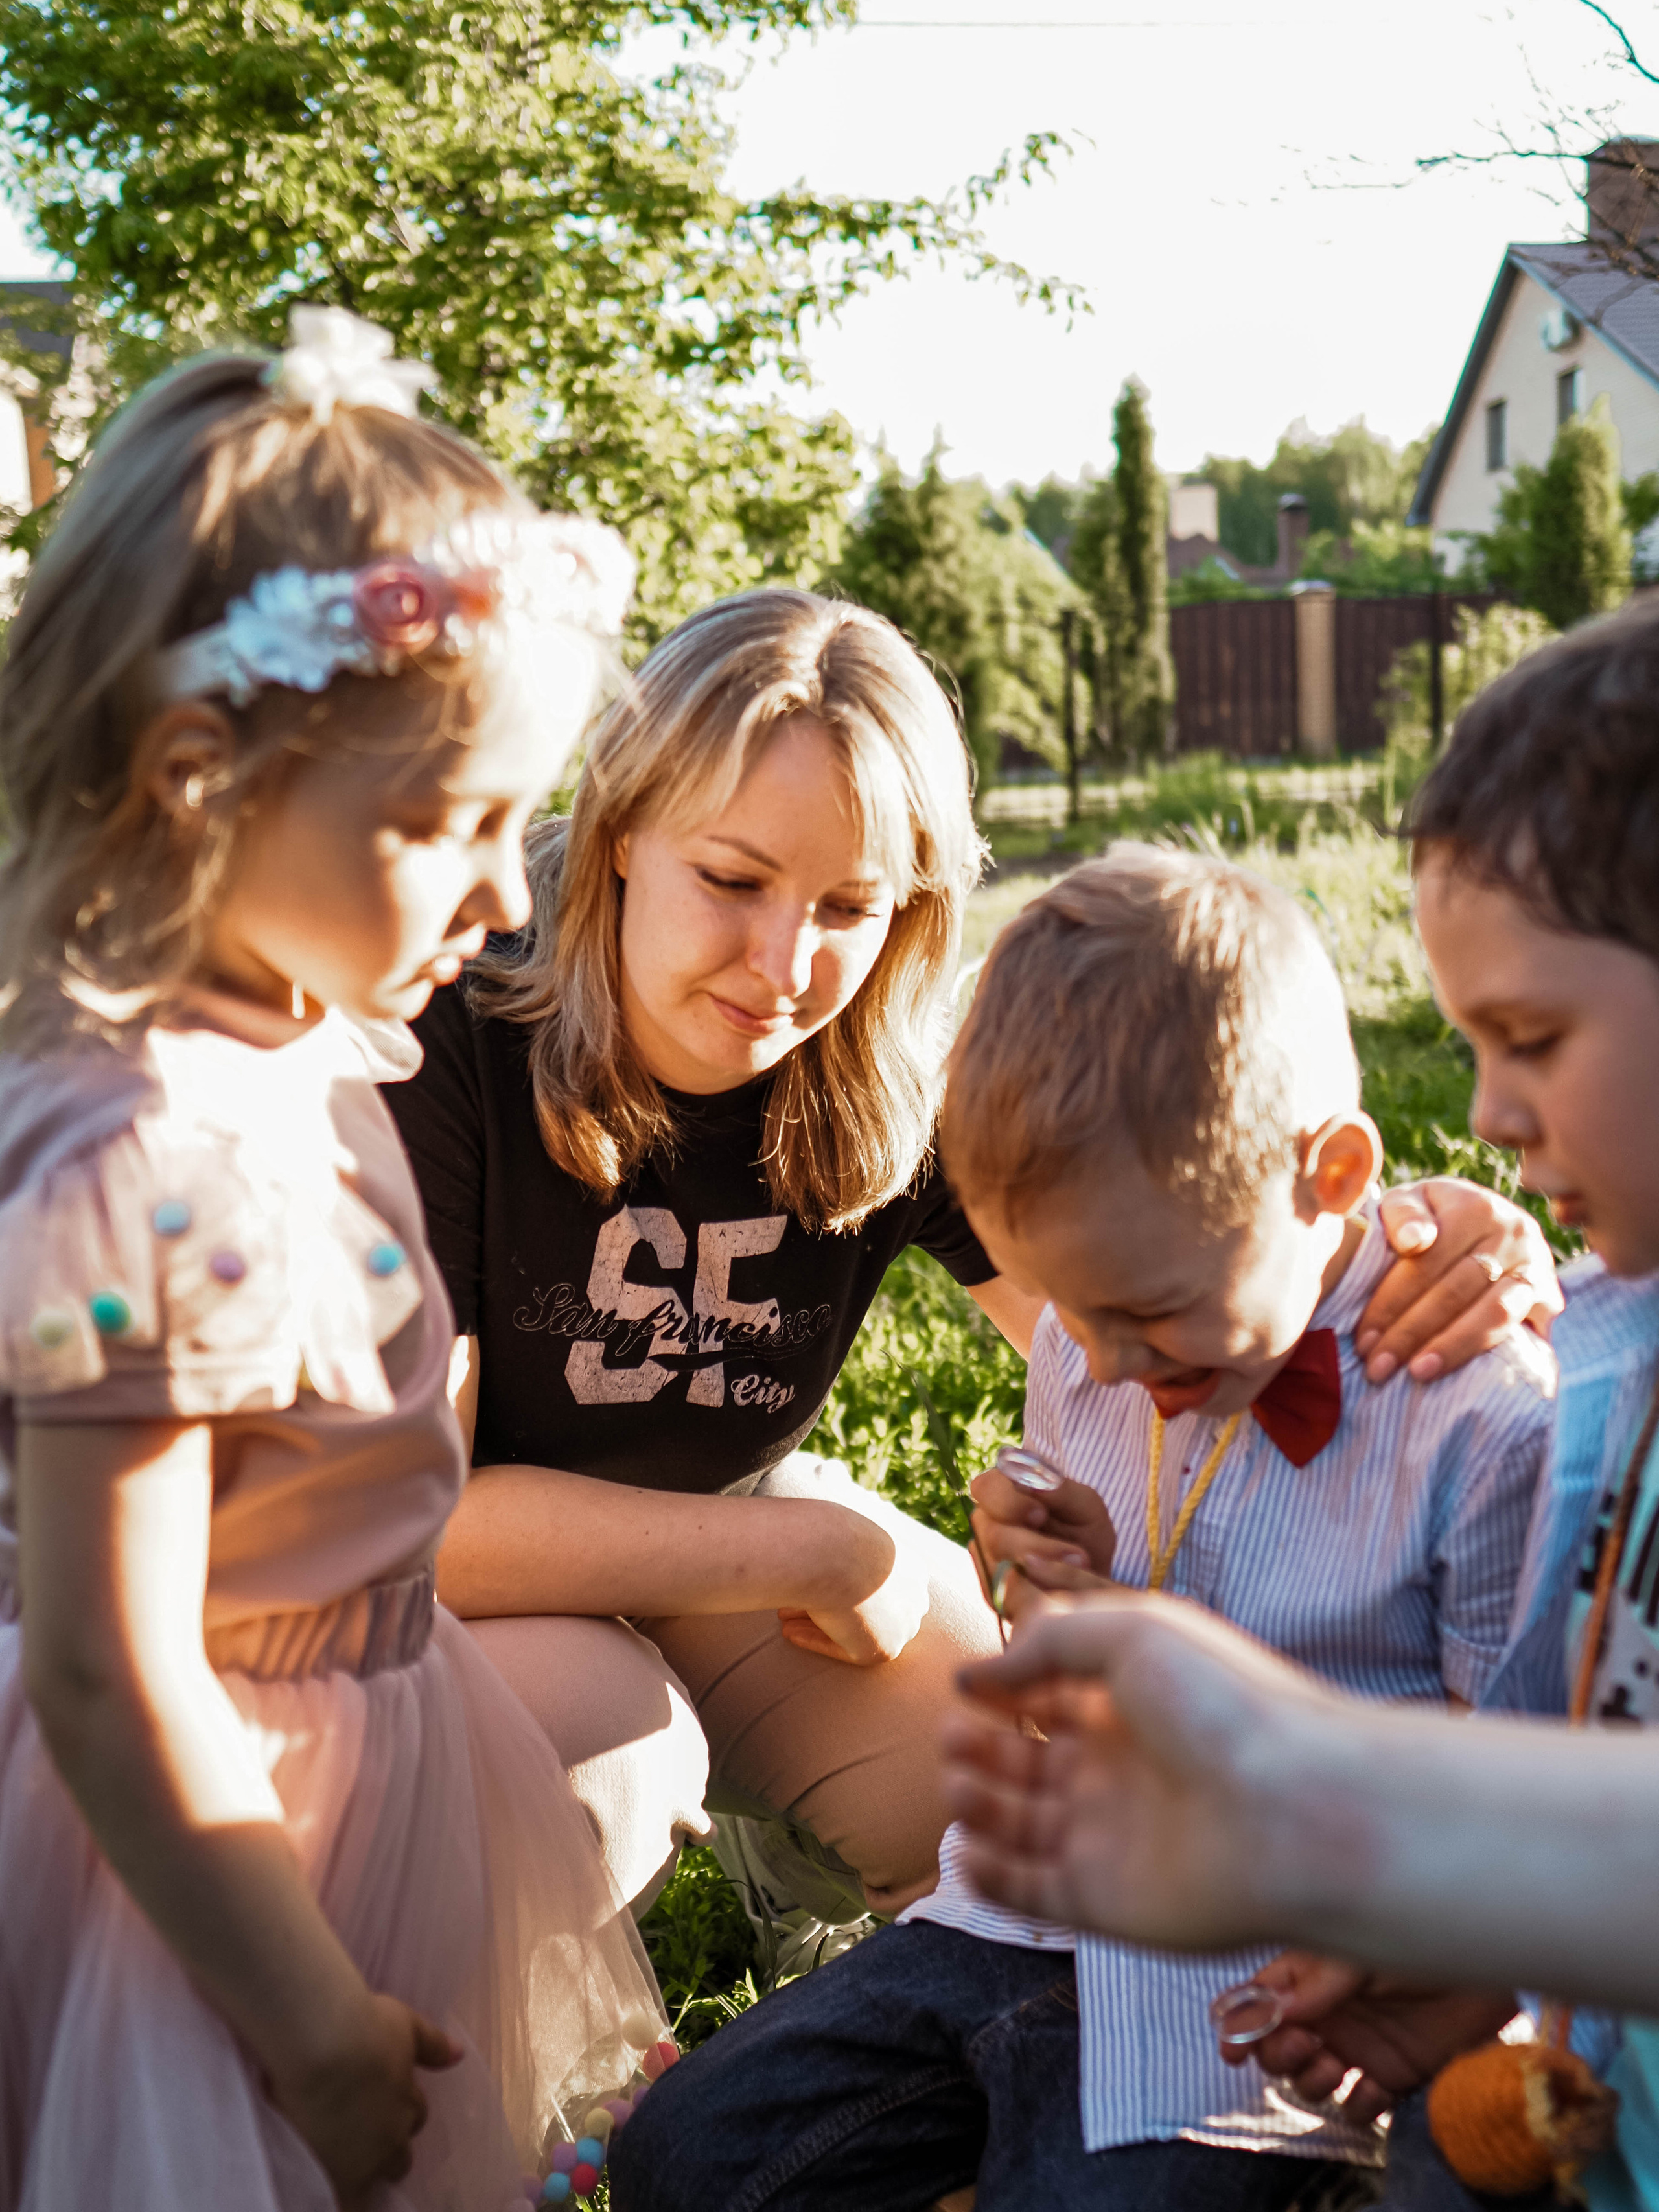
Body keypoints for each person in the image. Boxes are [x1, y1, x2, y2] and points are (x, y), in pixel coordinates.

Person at [385, 588, 1562, 1925]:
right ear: (616, 833)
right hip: (461, 1596)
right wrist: (824, 1552)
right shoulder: (453, 1026)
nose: (783, 965)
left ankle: (804, 1867)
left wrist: (1393, 1239)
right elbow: (411, 1528)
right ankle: (569, 2105)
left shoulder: (888, 1067)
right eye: (729, 880)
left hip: (723, 1533)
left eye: (850, 905)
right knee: (607, 1755)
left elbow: (1152, 1304)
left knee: (994, 1779)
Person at [607, 844, 1554, 2212]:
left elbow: (1522, 1776)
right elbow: (1080, 1617)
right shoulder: (1102, 1335)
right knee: (686, 2159)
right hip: (1023, 1916)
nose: (1097, 1366)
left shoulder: (1473, 1418)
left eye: (1145, 1316)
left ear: (1331, 1177)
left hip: (1258, 1976)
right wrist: (1037, 1579)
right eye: (1068, 1313)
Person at [0, 309, 666, 2212]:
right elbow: (111, 1670)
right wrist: (302, 2015)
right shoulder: (145, 1163)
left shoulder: (303, 1028)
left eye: (516, 819)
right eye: (442, 822)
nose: (507, 891)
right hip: (205, 1866)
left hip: (375, 1756)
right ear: (200, 777)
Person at [940, 598, 1659, 2211]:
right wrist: (1452, 1968)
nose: (1474, 1113)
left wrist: (1333, 1845)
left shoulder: (1503, 1396)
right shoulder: (1616, 1361)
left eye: (1528, 1037)